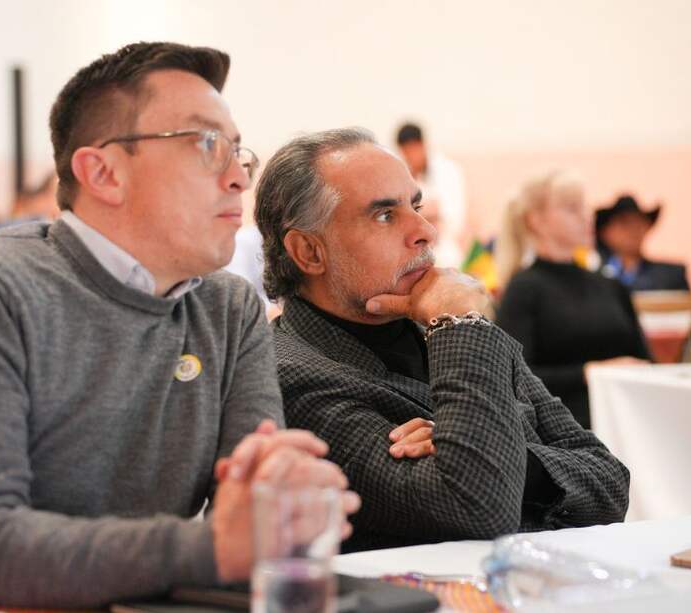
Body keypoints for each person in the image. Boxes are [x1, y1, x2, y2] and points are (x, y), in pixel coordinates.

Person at [0, 43, 357, 608]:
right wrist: (214, 546)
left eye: (238, 152)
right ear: (103, 172)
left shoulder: (229, 309)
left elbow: (253, 508)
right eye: (206, 145)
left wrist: (280, 498)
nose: (237, 179)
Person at [254, 128, 629, 553]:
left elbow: (611, 483)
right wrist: (458, 324)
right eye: (384, 215)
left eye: (416, 206)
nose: (426, 231)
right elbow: (478, 505)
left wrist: (485, 450)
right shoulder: (289, 377)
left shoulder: (453, 333)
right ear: (309, 252)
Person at [494, 171, 649, 428]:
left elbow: (645, 360)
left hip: (629, 422)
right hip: (564, 429)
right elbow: (514, 375)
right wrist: (590, 373)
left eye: (585, 206)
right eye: (572, 208)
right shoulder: (524, 288)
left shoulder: (612, 286)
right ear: (536, 220)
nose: (587, 215)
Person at [395, 123, 466, 267]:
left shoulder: (449, 171)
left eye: (411, 151)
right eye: (405, 153)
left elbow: (454, 219)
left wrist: (427, 214)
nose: (409, 157)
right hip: (410, 248)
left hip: (444, 248)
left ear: (421, 145)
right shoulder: (400, 172)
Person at [595, 194, 690, 292]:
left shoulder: (671, 276)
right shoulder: (591, 274)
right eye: (624, 223)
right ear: (604, 231)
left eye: (638, 223)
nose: (633, 230)